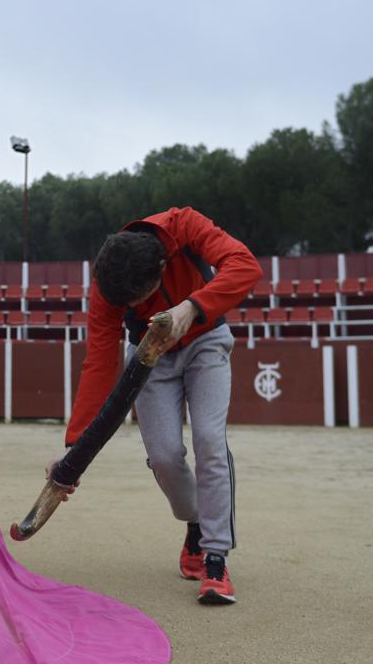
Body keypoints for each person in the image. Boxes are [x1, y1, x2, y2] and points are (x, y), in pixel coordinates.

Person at [65, 207, 262, 604]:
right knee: (164, 456)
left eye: (141, 300)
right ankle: (195, 524)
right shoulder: (107, 283)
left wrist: (192, 307)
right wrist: (74, 450)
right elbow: (100, 361)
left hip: (206, 340)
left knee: (209, 440)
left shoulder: (183, 225)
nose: (135, 309)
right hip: (150, 356)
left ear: (161, 265)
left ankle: (216, 557)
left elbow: (245, 266)